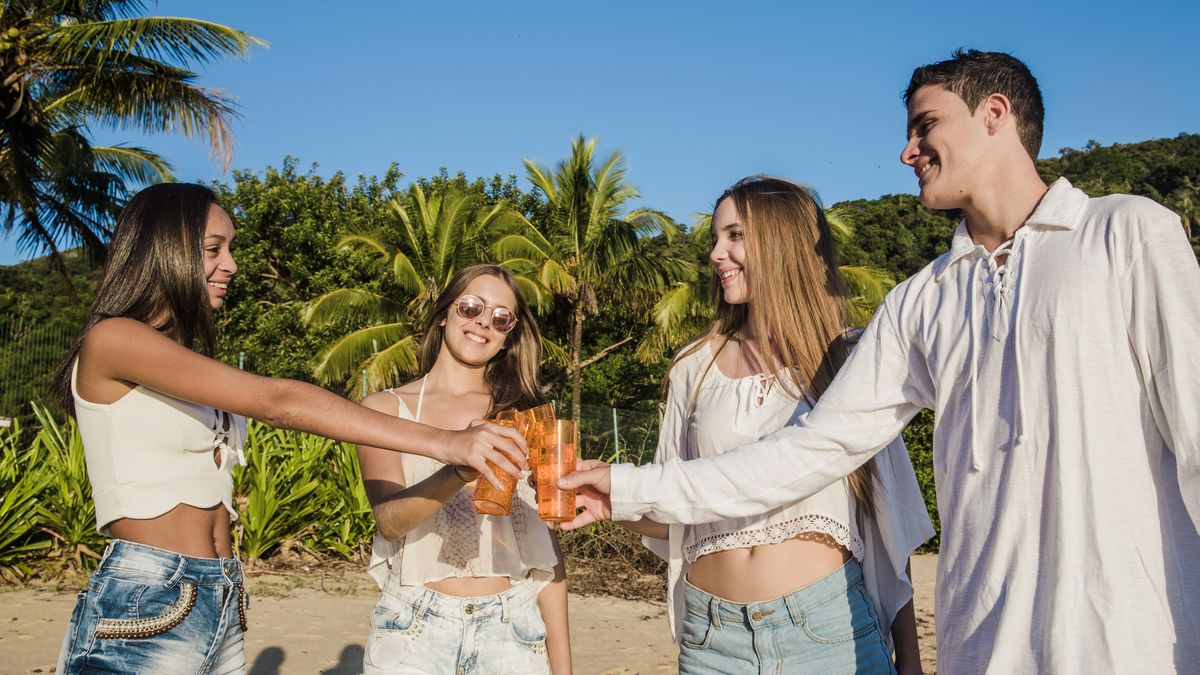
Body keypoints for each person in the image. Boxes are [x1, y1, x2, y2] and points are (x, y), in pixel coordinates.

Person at [560, 49, 1200, 673]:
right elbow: (809, 451)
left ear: (995, 114)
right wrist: (626, 485)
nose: (907, 152)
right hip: (980, 646)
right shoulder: (919, 301)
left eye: (926, 126)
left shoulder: (1128, 234)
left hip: (1133, 637)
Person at [51, 184, 527, 674]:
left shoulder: (184, 359)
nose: (232, 264)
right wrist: (450, 443)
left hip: (221, 594)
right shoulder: (113, 339)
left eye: (230, 248)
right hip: (148, 593)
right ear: (165, 250)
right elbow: (277, 402)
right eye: (214, 249)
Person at [616, 177, 931, 674]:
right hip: (712, 642)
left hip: (830, 632)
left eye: (735, 235)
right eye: (715, 239)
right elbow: (672, 509)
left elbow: (886, 517)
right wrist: (601, 501)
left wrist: (909, 661)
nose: (717, 253)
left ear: (782, 240)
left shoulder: (851, 358)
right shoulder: (692, 367)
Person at [356, 264, 570, 674]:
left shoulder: (523, 416)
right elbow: (388, 520)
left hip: (513, 630)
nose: (483, 323)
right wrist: (457, 470)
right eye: (471, 307)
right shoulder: (385, 410)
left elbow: (547, 555)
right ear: (443, 313)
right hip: (414, 630)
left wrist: (563, 667)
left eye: (501, 317)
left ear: (509, 337)